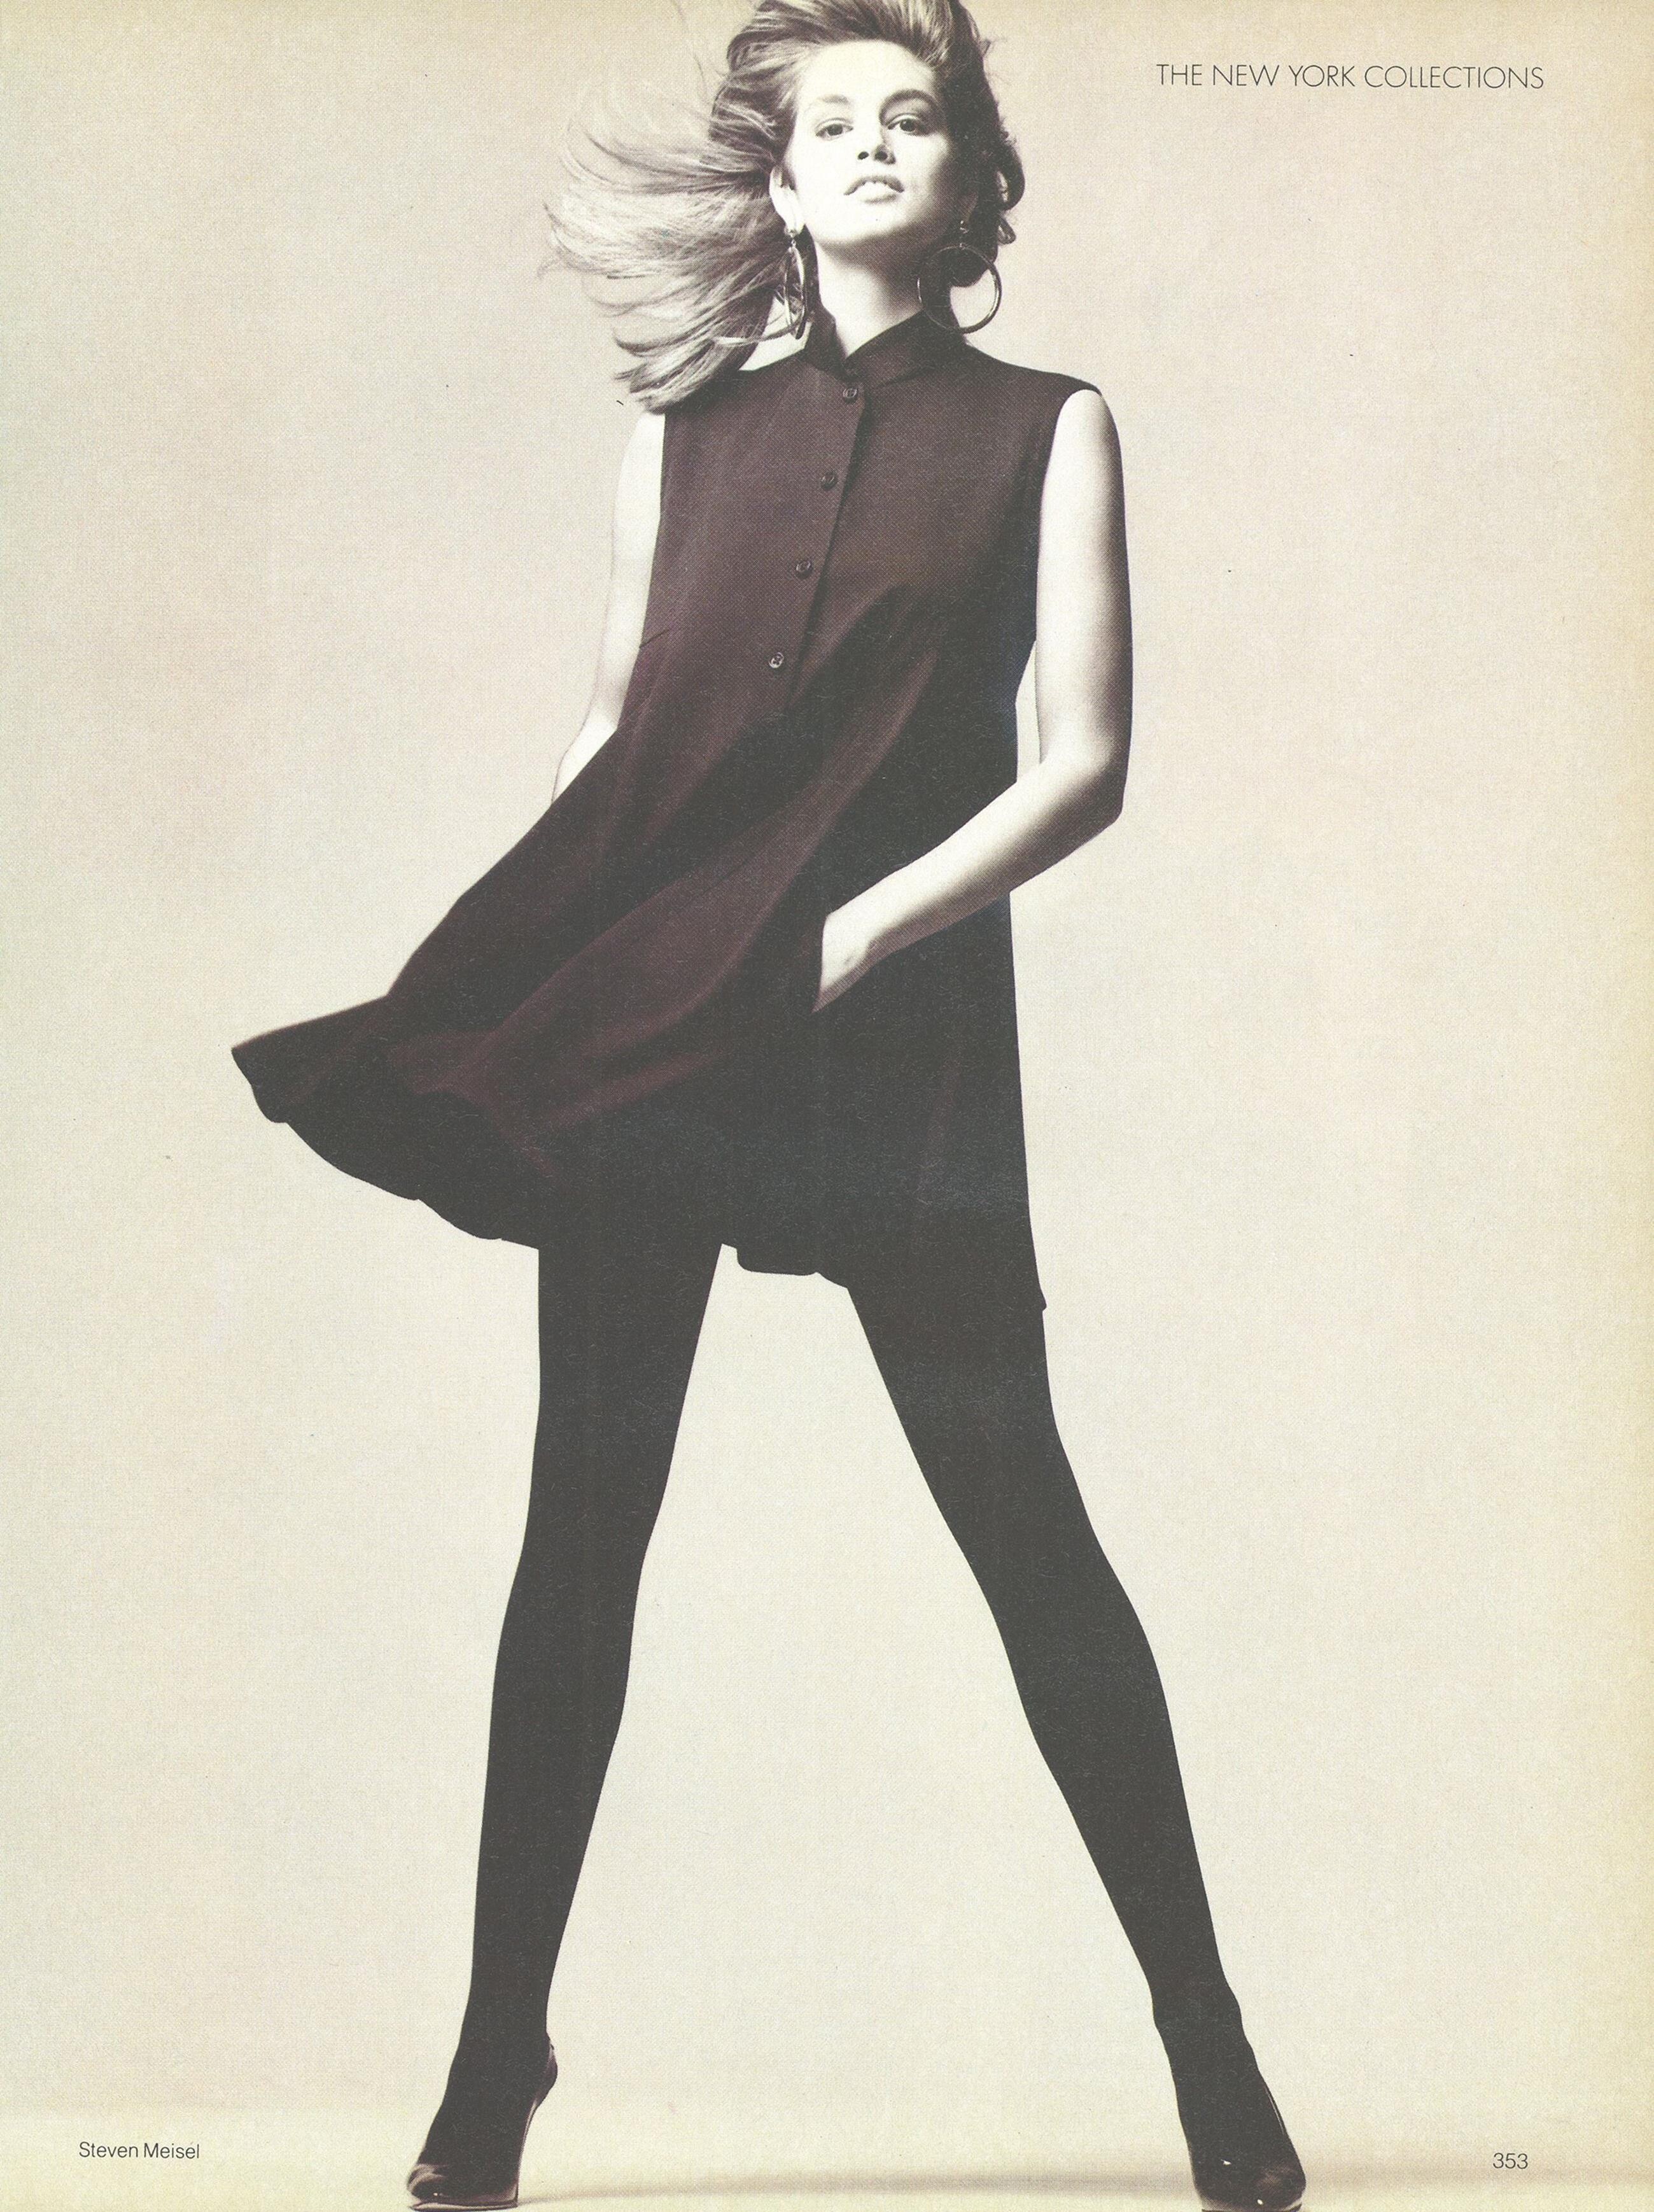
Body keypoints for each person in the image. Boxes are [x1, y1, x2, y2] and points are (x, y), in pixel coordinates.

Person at [232, 4, 1307, 2208]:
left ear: (970, 179)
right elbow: (610, 741)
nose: (876, 145)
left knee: (1025, 1526)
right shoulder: (683, 438)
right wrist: (542, 967)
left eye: (917, 118)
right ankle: (495, 2054)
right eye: (836, 123)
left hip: (892, 1033)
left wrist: (851, 939)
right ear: (784, 178)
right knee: (581, 1537)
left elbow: (1086, 766)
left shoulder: (1051, 427)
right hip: (661, 1021)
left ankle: (1208, 2040)